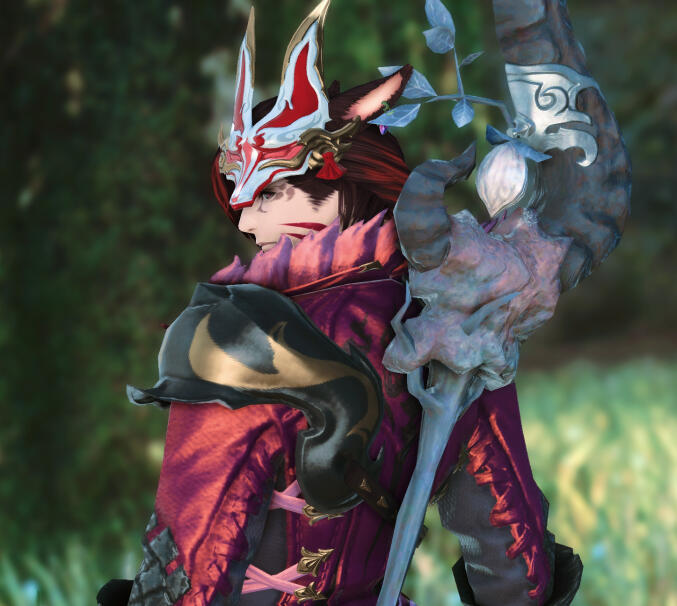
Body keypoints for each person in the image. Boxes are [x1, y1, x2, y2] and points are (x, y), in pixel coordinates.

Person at [97, 1, 594, 604]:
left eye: (271, 195)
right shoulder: (454, 325)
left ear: (339, 180)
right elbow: (513, 559)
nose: (248, 224)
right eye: (241, 202)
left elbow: (191, 571)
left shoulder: (230, 339)